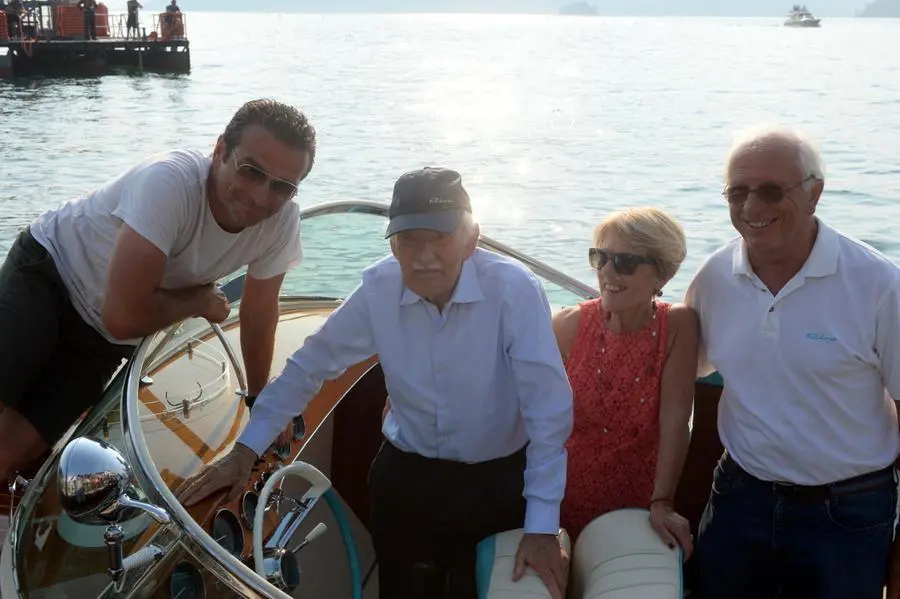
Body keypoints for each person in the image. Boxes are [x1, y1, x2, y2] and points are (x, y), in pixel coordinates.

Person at [176, 167, 573, 599]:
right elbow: (309, 366)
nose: (424, 257)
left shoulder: (514, 290)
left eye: (439, 238)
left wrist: (542, 525)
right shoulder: (378, 288)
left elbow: (548, 410)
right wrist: (245, 450)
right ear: (392, 244)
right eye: (408, 241)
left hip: (497, 481)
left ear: (471, 238)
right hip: (408, 478)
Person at [0, 98, 316, 487]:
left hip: (103, 338)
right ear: (219, 151)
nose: (262, 197)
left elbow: (259, 310)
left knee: (9, 454)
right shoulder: (170, 182)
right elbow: (124, 316)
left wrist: (259, 401)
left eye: (283, 186)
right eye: (251, 172)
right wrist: (197, 302)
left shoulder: (281, 222)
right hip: (51, 274)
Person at [685, 125, 900, 599]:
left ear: (814, 193)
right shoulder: (714, 278)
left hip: (848, 511)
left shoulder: (879, 285)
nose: (751, 208)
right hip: (739, 498)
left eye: (769, 190)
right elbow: (683, 373)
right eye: (737, 191)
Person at [553, 207, 697, 557]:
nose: (607, 272)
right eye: (599, 258)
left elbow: (676, 419)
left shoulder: (678, 325)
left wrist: (661, 502)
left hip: (638, 508)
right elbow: (535, 421)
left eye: (626, 262)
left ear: (664, 274)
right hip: (561, 500)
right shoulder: (567, 327)